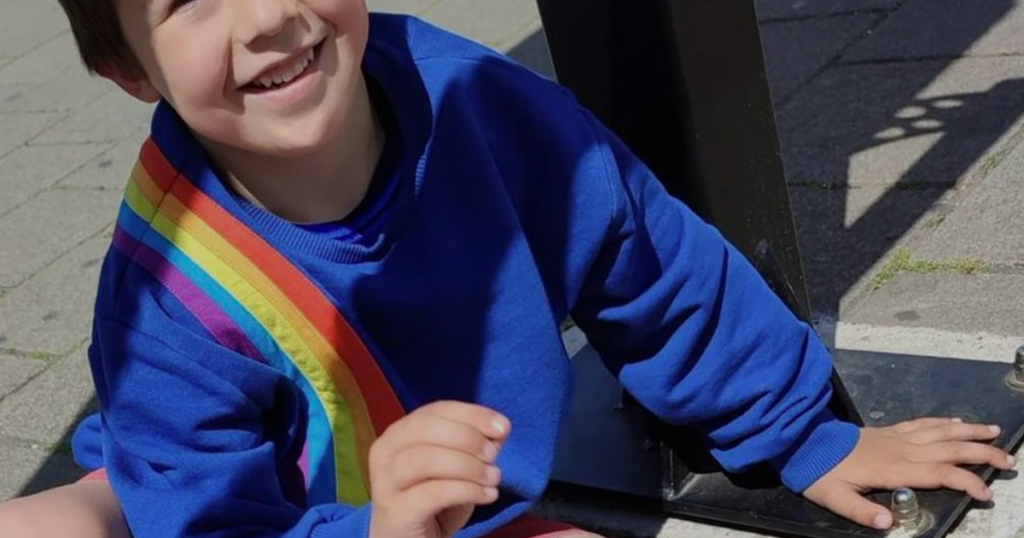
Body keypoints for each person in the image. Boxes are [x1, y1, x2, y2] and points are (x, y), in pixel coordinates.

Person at [0, 1, 1014, 538]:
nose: (265, 16)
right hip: (233, 495)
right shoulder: (167, 292)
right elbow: (203, 513)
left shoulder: (479, 101)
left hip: (402, 482)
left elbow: (645, 258)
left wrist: (803, 434)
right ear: (129, 69)